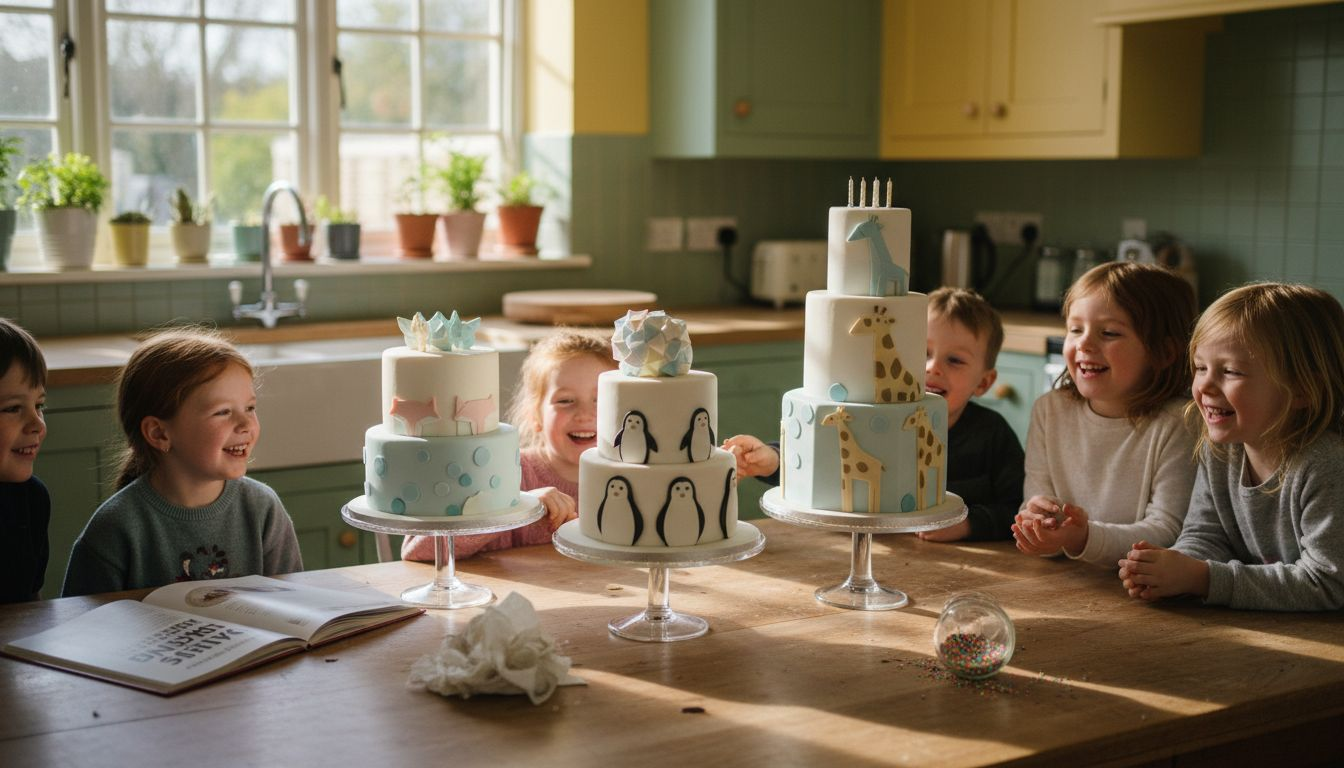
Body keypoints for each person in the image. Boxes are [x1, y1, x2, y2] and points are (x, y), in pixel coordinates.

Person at [723, 288, 1024, 542]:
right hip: (864, 553)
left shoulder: (991, 434)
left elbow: (1017, 506)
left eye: (955, 360)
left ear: (984, 382)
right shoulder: (873, 412)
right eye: (922, 351)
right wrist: (773, 458)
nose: (932, 367)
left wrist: (970, 525)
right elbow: (823, 461)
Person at [1118, 283, 1344, 610]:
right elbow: (1208, 534)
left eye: (1231, 371)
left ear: (1301, 390)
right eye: (1200, 368)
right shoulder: (1223, 448)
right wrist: (1172, 571)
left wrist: (1204, 579)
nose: (1205, 385)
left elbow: (1329, 582)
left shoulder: (1326, 464)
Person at [62, 329, 302, 597]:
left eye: (249, 408)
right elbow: (83, 628)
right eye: (222, 412)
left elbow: (293, 604)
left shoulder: (263, 509)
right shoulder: (114, 529)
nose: (246, 424)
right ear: (159, 433)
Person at [1012, 261, 1198, 567]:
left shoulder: (1179, 424)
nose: (1084, 343)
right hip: (1064, 581)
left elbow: (1167, 532)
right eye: (1075, 329)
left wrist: (1083, 538)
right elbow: (1035, 501)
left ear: (1164, 353)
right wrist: (1038, 524)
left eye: (1109, 333)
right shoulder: (1049, 411)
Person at [401, 330, 614, 561]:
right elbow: (418, 550)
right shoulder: (501, 471)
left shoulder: (634, 480)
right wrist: (518, 508)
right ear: (535, 415)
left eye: (601, 399)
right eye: (565, 401)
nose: (584, 414)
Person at [0, 318, 50, 603]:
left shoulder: (32, 500)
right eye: (13, 408)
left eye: (39, 406)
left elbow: (30, 608)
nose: (37, 424)